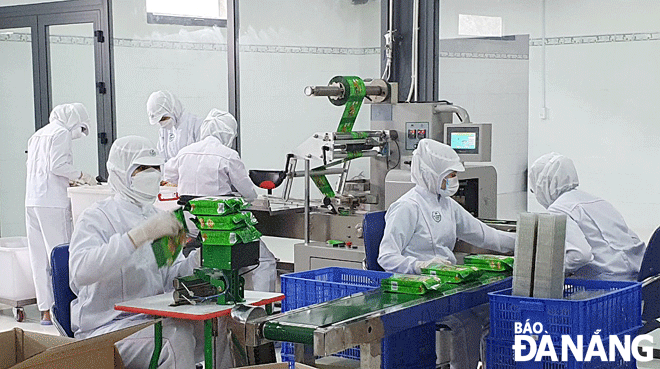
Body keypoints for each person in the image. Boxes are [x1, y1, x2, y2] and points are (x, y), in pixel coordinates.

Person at [68, 136, 233, 368]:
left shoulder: (157, 216)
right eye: (142, 168)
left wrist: (203, 256)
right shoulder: (97, 217)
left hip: (152, 319)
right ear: (121, 172)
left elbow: (169, 277)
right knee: (175, 339)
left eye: (156, 168)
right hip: (107, 327)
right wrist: (138, 236)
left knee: (221, 323)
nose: (153, 174)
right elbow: (81, 272)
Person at [377, 138, 515, 369]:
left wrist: (524, 241)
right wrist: (419, 266)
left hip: (449, 287)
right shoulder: (407, 207)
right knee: (466, 322)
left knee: (496, 312)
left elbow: (483, 234)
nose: (454, 180)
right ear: (430, 174)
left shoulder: (446, 204)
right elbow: (386, 257)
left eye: (454, 174)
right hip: (419, 291)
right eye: (449, 174)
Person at [164, 109, 276, 292]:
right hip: (220, 227)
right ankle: (262, 309)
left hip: (191, 225)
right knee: (265, 261)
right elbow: (250, 195)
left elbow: (168, 175)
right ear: (228, 133)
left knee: (200, 257)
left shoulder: (185, 153)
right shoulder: (227, 155)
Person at [25, 103, 96, 325]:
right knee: (61, 255)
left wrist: (69, 177)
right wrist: (82, 175)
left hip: (32, 200)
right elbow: (58, 165)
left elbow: (40, 167)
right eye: (81, 128)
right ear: (74, 119)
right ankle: (65, 308)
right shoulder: (61, 132)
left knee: (38, 258)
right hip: (53, 202)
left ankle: (45, 311)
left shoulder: (38, 134)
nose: (79, 133)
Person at [529, 152, 646, 281]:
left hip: (605, 286)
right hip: (636, 279)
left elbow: (579, 255)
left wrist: (541, 269)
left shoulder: (558, 209)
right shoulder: (597, 201)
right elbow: (632, 239)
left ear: (541, 184)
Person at [147, 90, 203, 162]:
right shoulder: (164, 131)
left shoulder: (195, 124)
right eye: (159, 121)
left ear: (173, 110)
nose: (162, 124)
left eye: (164, 118)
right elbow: (161, 157)